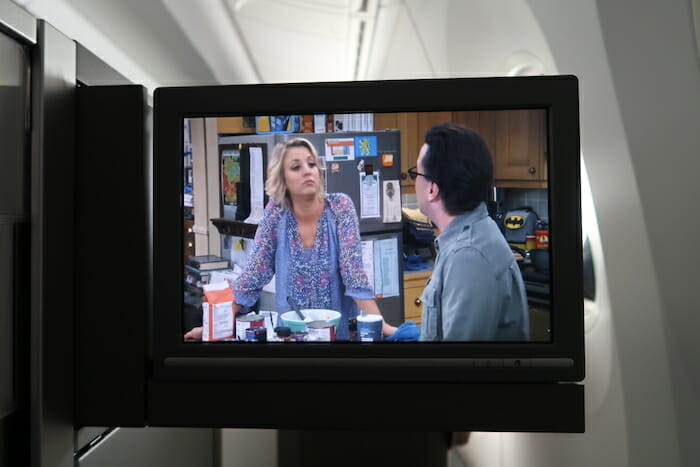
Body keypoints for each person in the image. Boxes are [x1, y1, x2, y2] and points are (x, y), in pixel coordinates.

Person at [185, 137, 407, 341]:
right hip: (292, 341)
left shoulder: (341, 208)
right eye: (296, 167)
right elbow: (252, 277)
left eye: (312, 164)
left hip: (339, 339)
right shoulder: (275, 214)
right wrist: (214, 328)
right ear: (282, 179)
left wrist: (384, 327)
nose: (307, 171)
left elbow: (354, 276)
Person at [410, 123, 529, 341]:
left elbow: (459, 367)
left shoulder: (469, 256)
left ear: (432, 189)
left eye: (416, 173)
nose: (415, 181)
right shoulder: (465, 237)